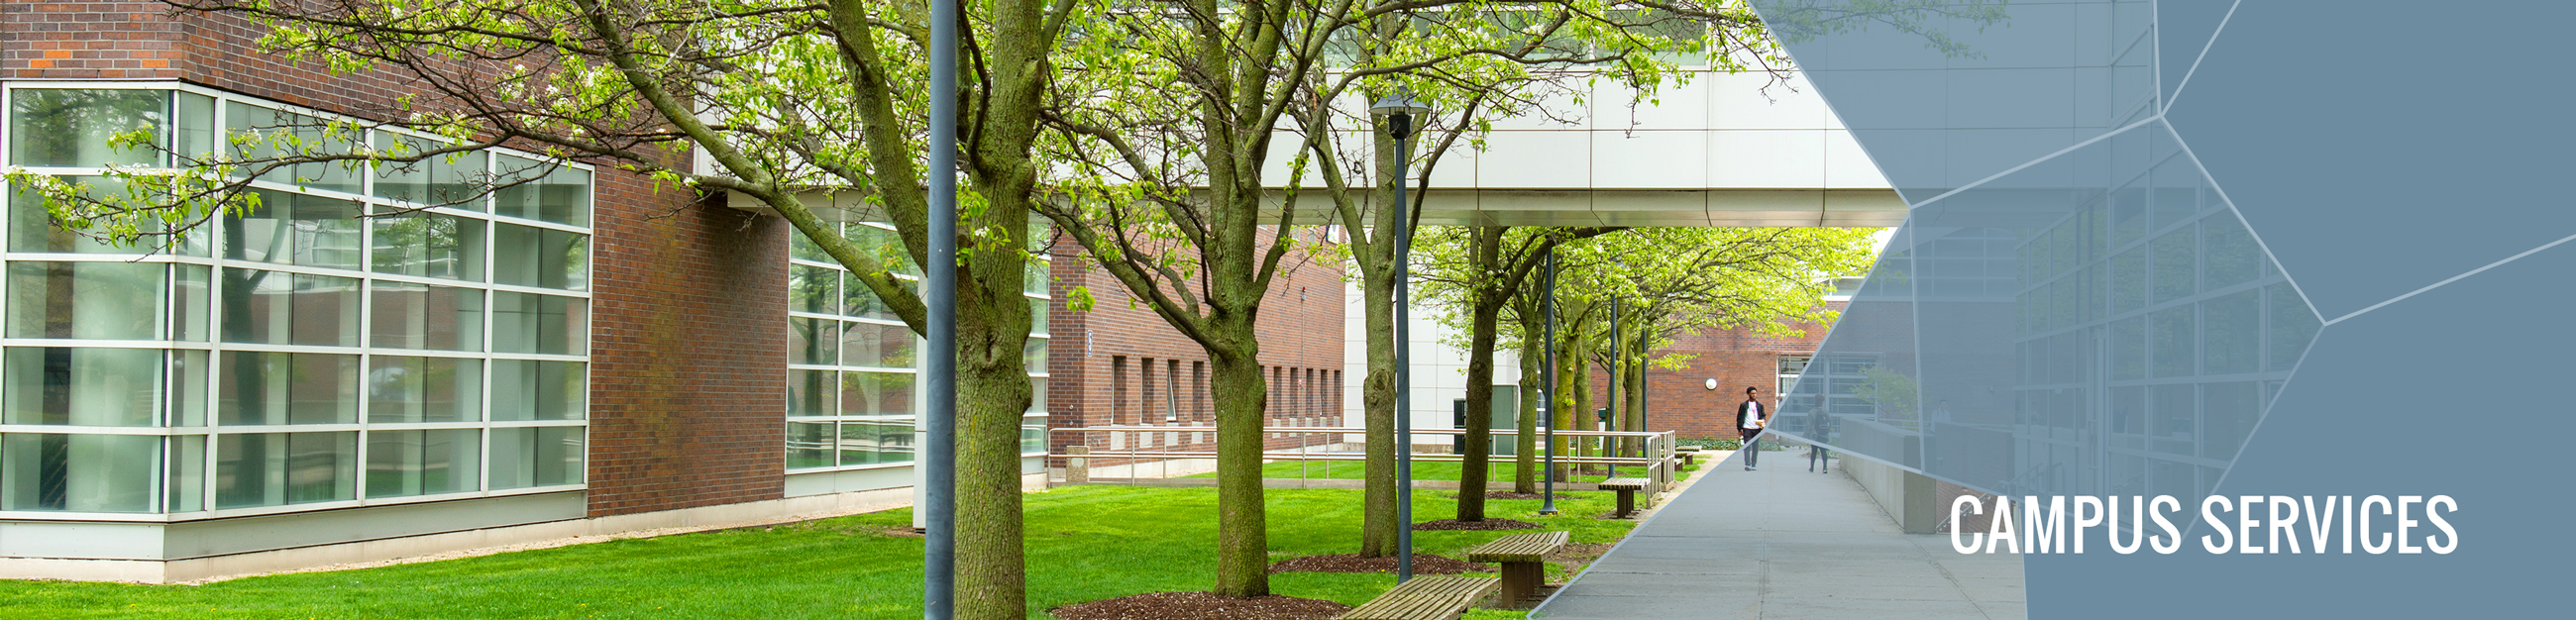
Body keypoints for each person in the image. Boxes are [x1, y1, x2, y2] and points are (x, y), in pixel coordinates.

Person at [1737, 386, 1766, 470]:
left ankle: (1754, 464)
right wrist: (1739, 429)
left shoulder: (1760, 405)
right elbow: (1739, 417)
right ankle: (1747, 464)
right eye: (1752, 393)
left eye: (1755, 393)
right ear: (1748, 394)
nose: (1754, 395)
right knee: (1747, 446)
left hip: (1756, 428)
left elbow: (1763, 415)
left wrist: (1762, 422)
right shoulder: (1744, 405)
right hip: (1747, 428)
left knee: (1755, 447)